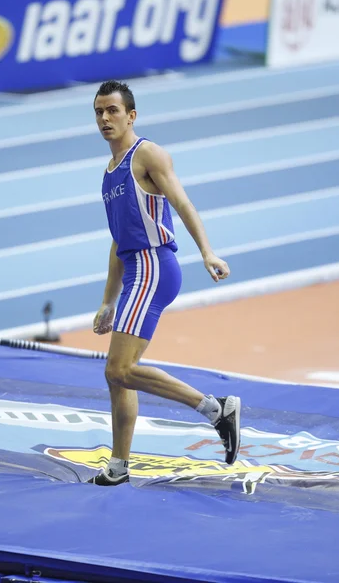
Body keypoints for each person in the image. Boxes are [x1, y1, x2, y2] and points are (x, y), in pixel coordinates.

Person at [88, 80, 241, 486]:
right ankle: (119, 466)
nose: (105, 118)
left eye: (113, 111)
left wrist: (207, 251)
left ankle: (215, 408)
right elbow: (119, 239)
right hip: (136, 269)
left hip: (154, 267)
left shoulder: (147, 154)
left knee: (121, 368)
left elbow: (182, 203)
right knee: (115, 374)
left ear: (131, 115)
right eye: (99, 112)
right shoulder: (109, 173)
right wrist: (108, 299)